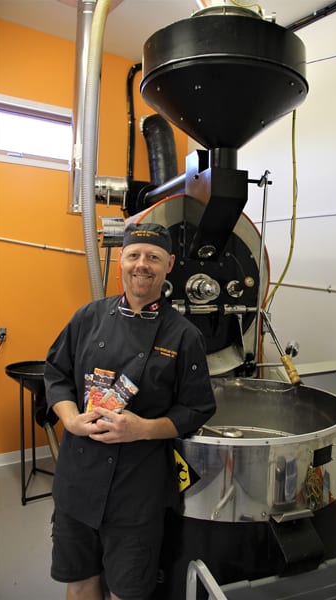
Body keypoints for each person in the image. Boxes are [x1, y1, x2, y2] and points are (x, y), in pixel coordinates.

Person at [44, 222, 216, 600]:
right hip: (78, 480)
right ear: (121, 260)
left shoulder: (184, 335)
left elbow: (198, 407)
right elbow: (55, 373)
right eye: (134, 255)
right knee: (81, 579)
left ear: (168, 265)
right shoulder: (87, 318)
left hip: (137, 489)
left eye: (153, 257)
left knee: (127, 591)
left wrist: (143, 428)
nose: (143, 264)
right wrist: (70, 418)